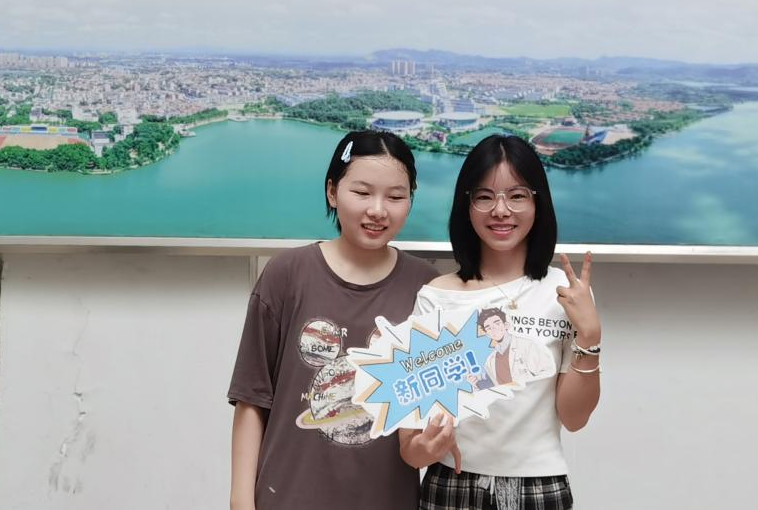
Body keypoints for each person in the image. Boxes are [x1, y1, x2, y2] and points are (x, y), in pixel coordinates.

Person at [228, 130, 437, 510]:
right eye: (362, 192)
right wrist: (240, 502)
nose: (378, 210)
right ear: (332, 192)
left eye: (395, 196)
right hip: (287, 498)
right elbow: (251, 400)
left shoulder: (427, 287)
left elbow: (425, 415)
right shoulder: (286, 274)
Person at [399, 134, 601, 510]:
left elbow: (574, 419)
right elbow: (411, 448)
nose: (501, 210)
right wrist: (425, 447)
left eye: (517, 195)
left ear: (538, 203)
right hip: (453, 483)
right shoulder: (436, 297)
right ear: (467, 205)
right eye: (485, 196)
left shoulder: (564, 293)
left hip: (540, 486)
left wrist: (590, 336)